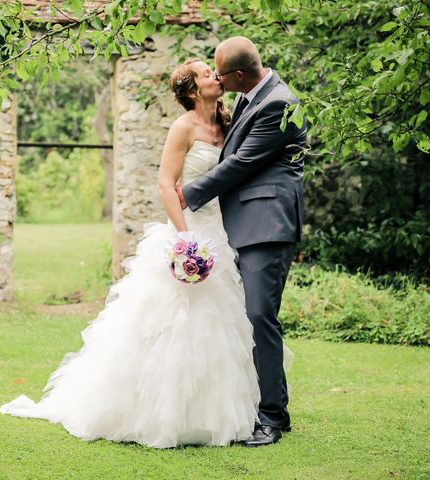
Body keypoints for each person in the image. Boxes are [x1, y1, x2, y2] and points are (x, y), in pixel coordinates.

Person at [0, 59, 260, 449]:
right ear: (191, 90)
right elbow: (165, 184)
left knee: (218, 322)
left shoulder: (228, 122)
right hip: (188, 231)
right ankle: (157, 412)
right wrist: (184, 240)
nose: (215, 77)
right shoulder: (183, 127)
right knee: (172, 320)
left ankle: (212, 414)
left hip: (220, 232)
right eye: (207, 74)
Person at [178, 36, 307, 447]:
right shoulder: (251, 97)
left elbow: (243, 161)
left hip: (266, 225)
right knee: (248, 318)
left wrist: (191, 194)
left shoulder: (277, 102)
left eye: (219, 72)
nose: (215, 77)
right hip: (243, 224)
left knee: (259, 317)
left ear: (237, 74)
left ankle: (271, 417)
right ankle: (269, 410)